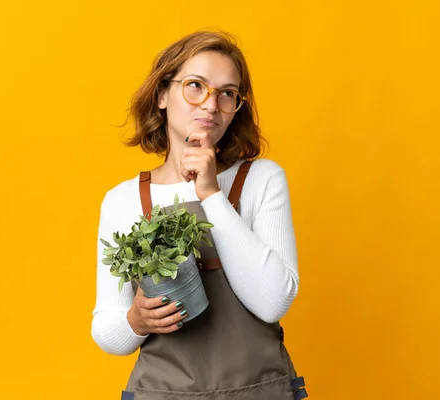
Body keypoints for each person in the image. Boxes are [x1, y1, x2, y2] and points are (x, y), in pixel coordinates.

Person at [91, 30, 308, 400]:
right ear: (162, 95)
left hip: (259, 391)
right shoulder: (124, 201)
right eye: (196, 86)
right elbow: (108, 331)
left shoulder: (260, 180)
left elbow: (273, 302)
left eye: (227, 94)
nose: (210, 105)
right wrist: (136, 321)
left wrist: (209, 193)